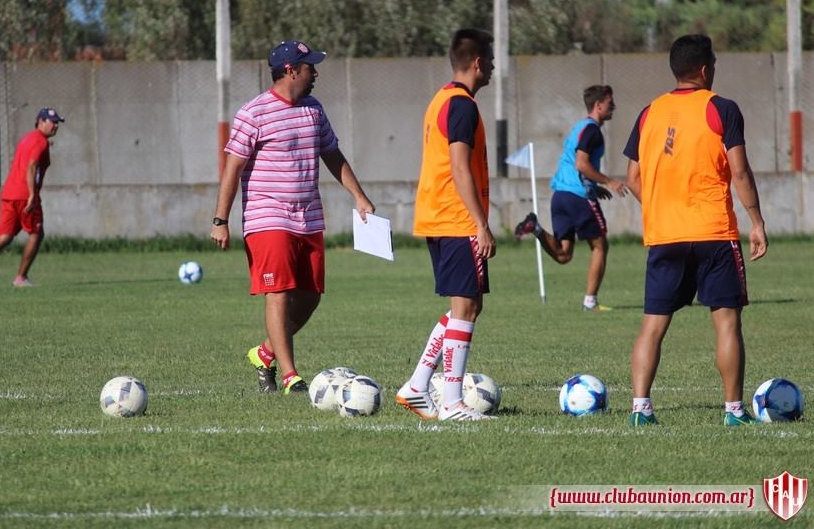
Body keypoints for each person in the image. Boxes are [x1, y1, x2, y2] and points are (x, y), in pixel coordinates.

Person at [210, 40, 374, 395]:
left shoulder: (314, 109)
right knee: (279, 292)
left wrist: (359, 196)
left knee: (311, 295)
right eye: (309, 67)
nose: (315, 73)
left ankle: (265, 352)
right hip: (267, 216)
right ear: (290, 71)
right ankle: (290, 376)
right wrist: (220, 220)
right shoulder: (253, 113)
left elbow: (332, 154)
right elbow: (232, 168)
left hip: (309, 216)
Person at [622, 34, 768, 427]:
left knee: (653, 325)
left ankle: (640, 409)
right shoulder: (722, 108)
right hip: (713, 233)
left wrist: (660, 206)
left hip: (664, 236)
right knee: (727, 322)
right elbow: (739, 170)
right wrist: (756, 221)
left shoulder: (649, 112)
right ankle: (734, 411)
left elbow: (632, 176)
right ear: (705, 70)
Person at [395, 28, 496, 422]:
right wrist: (480, 224)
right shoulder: (462, 105)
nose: (493, 67)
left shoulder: (441, 98)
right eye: (490, 60)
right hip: (456, 219)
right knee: (466, 308)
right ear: (477, 63)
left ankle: (418, 386)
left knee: (466, 307)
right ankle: (452, 402)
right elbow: (459, 167)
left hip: (439, 217)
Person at [514, 85, 628, 311]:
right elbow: (581, 164)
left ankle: (536, 228)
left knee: (564, 254)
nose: (613, 107)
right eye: (610, 103)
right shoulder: (592, 131)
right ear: (598, 105)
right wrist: (609, 181)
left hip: (561, 196)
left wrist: (594, 185)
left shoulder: (579, 127)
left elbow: (575, 164)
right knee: (600, 246)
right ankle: (590, 302)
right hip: (578, 197)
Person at [0, 107, 64, 288]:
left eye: (57, 123)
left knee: (5, 236)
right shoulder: (41, 142)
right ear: (40, 122)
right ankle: (21, 277)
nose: (56, 126)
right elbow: (31, 166)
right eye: (53, 122)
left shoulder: (26, 138)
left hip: (9, 193)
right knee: (36, 234)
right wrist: (32, 194)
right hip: (25, 195)